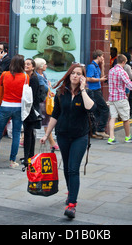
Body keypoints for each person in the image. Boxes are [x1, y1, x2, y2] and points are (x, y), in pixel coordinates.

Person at [40, 63, 96, 219]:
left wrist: (83, 89)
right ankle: (71, 193)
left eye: (79, 74)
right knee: (66, 168)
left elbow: (90, 108)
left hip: (80, 136)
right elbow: (55, 115)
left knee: (73, 169)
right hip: (63, 135)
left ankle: (72, 204)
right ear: (69, 75)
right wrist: (47, 134)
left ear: (83, 77)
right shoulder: (61, 93)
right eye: (73, 73)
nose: (75, 76)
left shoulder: (87, 93)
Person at [107, 54, 132, 144]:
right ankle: (128, 137)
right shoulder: (122, 71)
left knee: (113, 118)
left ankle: (111, 137)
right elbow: (129, 85)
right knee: (126, 118)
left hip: (111, 98)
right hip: (120, 98)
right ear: (123, 62)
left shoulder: (111, 71)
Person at [21, 58, 42, 167]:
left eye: (28, 64)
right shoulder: (26, 77)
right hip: (29, 108)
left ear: (33, 67)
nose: (26, 66)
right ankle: (30, 155)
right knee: (30, 133)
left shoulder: (33, 78)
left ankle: (27, 157)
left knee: (28, 133)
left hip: (30, 109)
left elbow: (32, 96)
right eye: (25, 64)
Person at [35, 57, 58, 150]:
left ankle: (23, 139)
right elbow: (45, 88)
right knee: (46, 121)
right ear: (40, 66)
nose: (46, 66)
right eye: (44, 64)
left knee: (44, 120)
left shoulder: (43, 74)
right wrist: (48, 86)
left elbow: (47, 88)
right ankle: (52, 143)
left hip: (45, 100)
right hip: (41, 101)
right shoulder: (38, 76)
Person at [86, 49, 109, 139]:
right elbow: (88, 78)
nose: (103, 58)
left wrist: (102, 66)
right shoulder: (91, 66)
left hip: (97, 90)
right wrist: (100, 80)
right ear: (98, 56)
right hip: (94, 91)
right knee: (105, 109)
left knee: (96, 111)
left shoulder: (97, 66)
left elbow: (101, 76)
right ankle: (101, 129)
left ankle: (94, 130)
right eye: (102, 56)